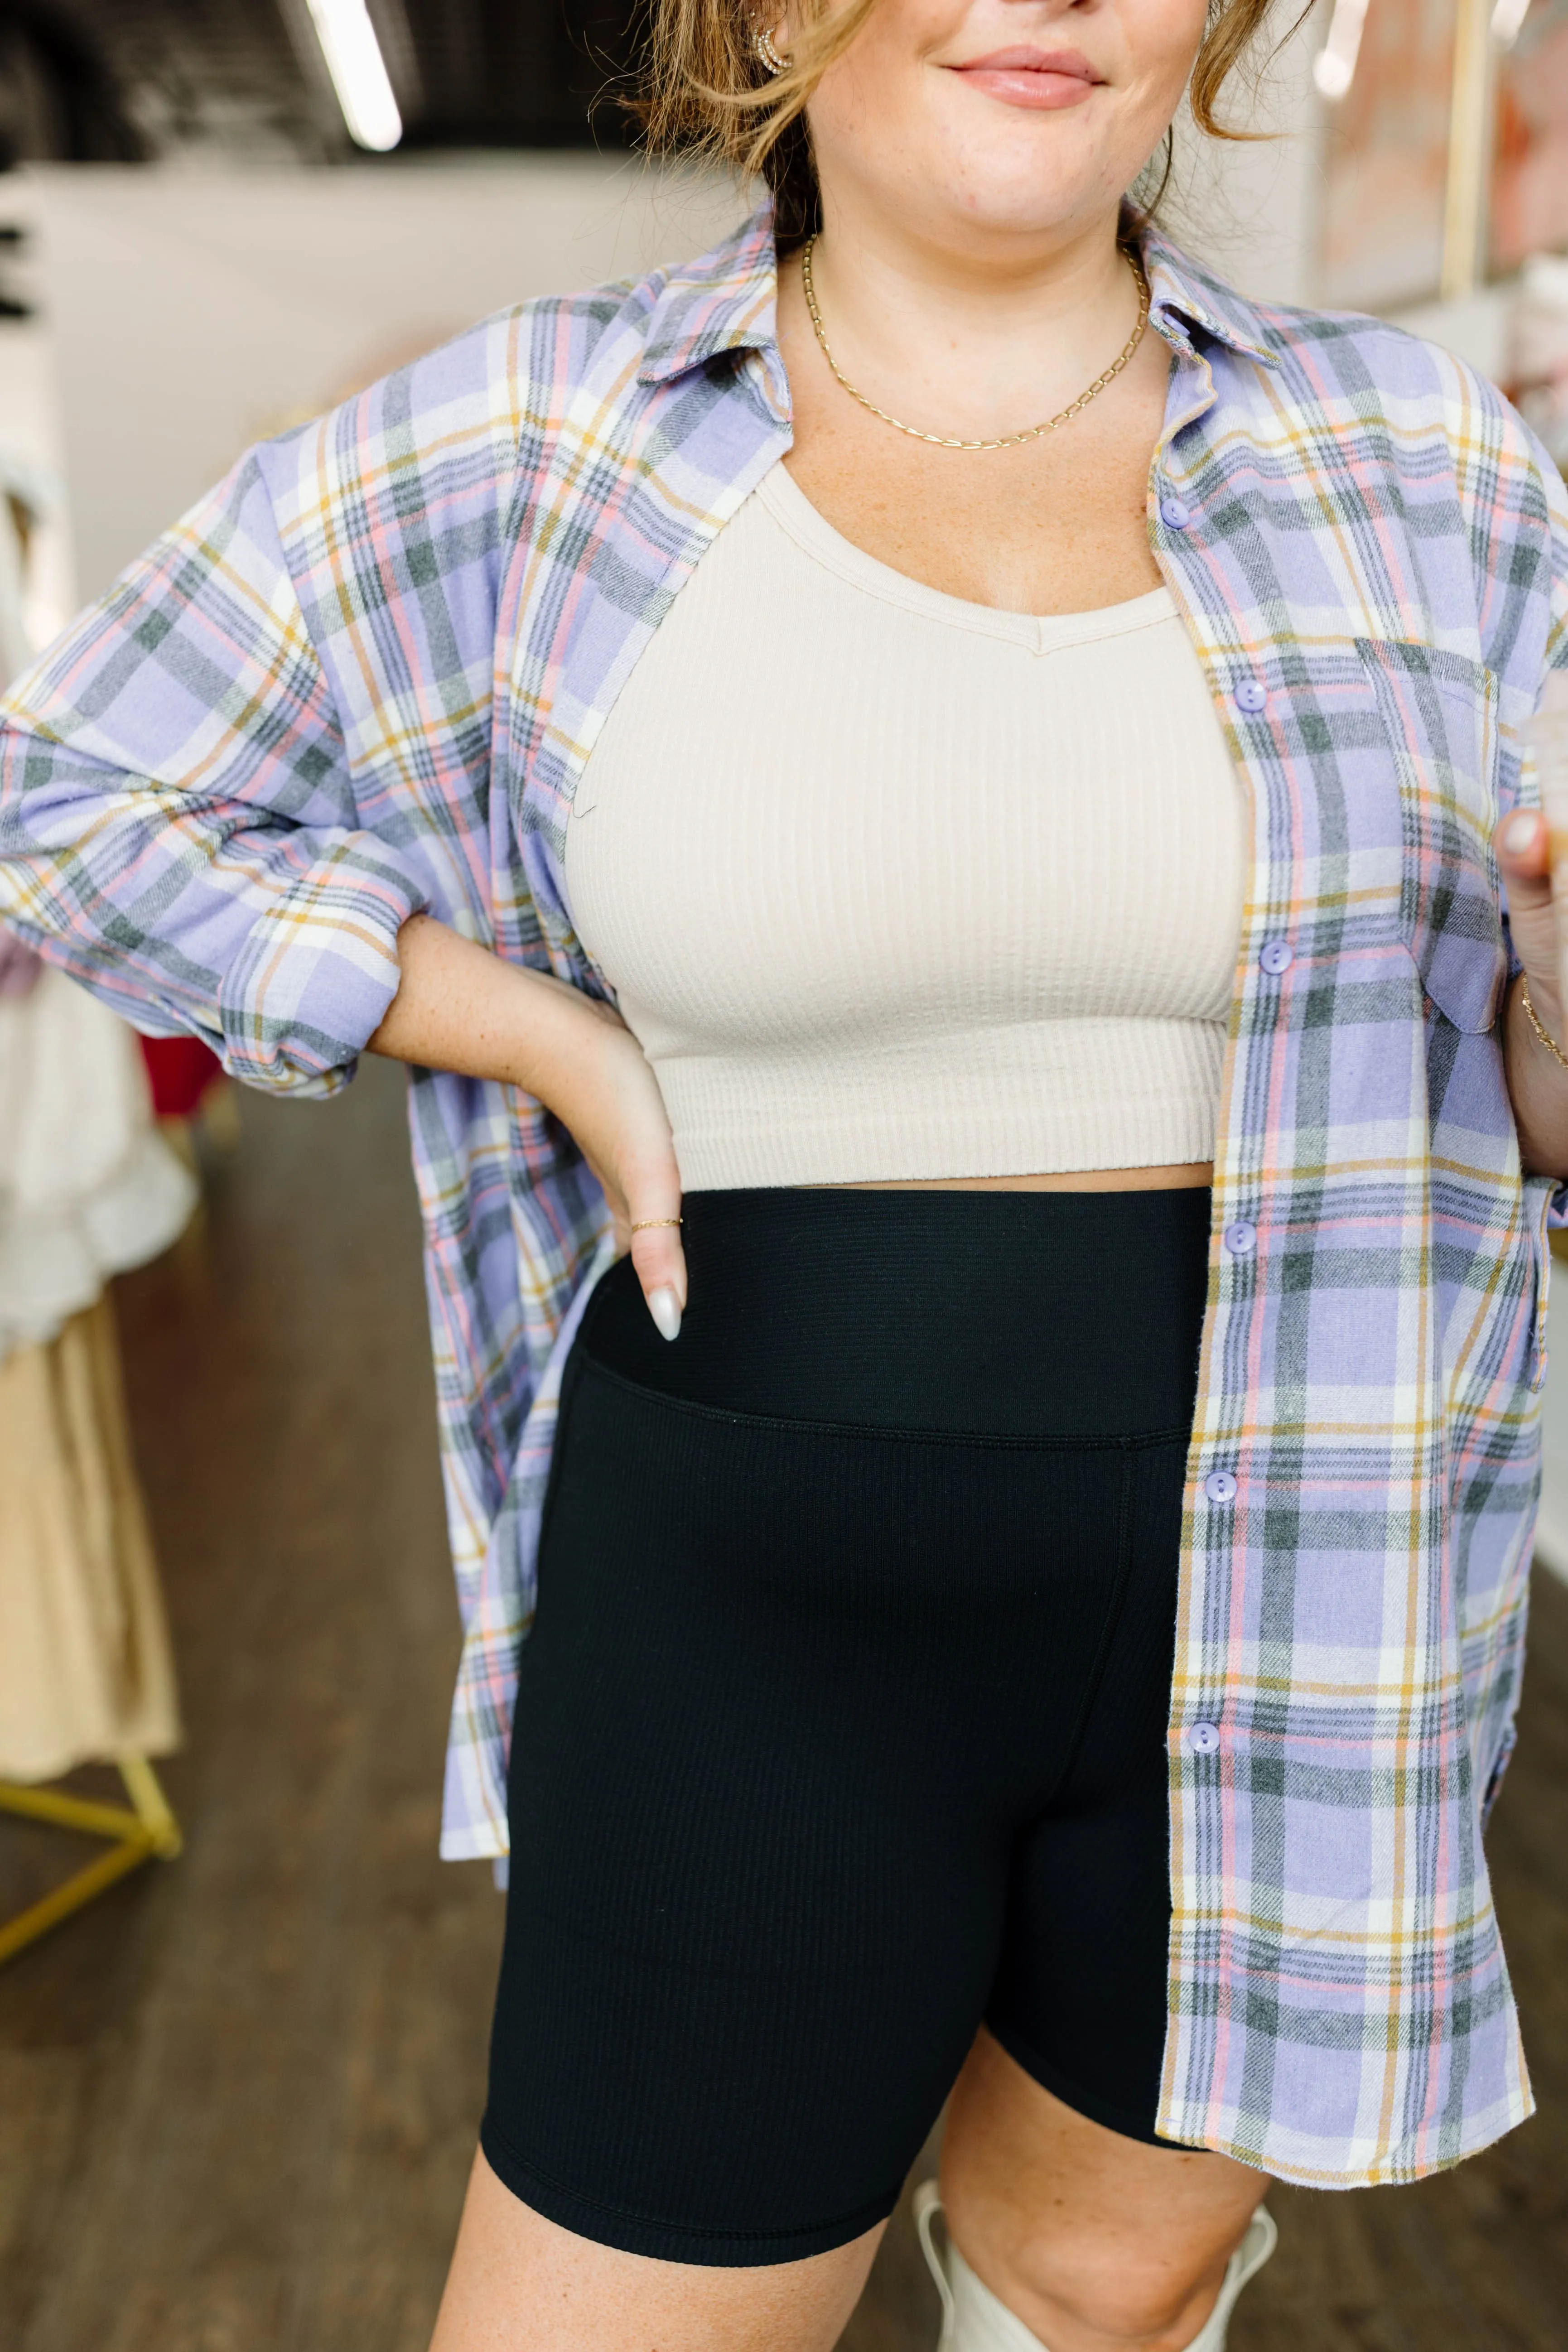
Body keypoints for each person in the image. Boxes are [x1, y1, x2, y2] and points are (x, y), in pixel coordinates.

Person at [3, 0, 1568, 2342]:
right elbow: (65, 793)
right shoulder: (541, 438)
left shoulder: (1429, 472)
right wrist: (501, 1016)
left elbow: (1531, 1100)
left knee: (1102, 2307)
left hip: (1272, 1618)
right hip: (744, 1616)